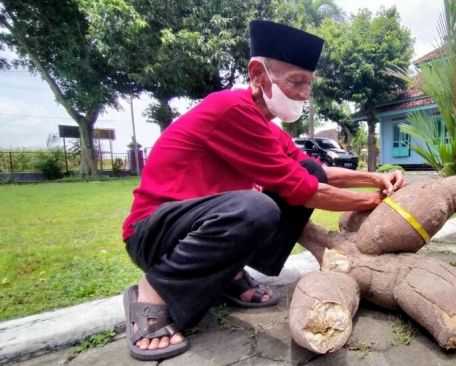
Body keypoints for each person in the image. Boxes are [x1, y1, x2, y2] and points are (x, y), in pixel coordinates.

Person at [121, 20, 405, 361]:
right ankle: (153, 291)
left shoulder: (266, 127)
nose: (303, 94)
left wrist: (374, 178)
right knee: (257, 207)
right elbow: (303, 191)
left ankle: (229, 274)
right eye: (295, 82)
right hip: (153, 232)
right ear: (258, 73)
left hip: (197, 229)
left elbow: (314, 171)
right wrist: (373, 202)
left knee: (307, 168)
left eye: (308, 85)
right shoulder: (229, 108)